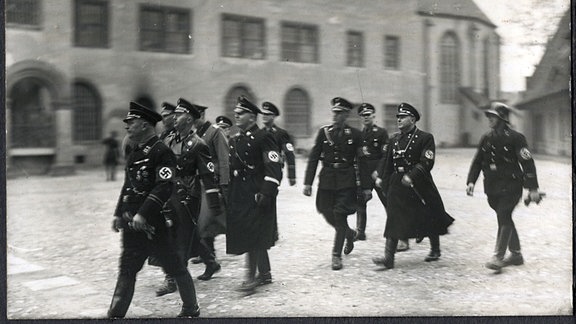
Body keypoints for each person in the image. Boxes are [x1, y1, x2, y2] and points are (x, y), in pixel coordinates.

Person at [108, 101, 200, 318]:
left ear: (145, 125)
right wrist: (118, 213)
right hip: (133, 222)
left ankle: (191, 308)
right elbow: (128, 185)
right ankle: (114, 314)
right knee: (127, 268)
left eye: (131, 122)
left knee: (174, 266)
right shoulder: (134, 152)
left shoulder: (162, 152)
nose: (127, 127)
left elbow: (164, 186)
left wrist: (143, 213)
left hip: (155, 223)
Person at [154, 98, 224, 296]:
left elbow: (208, 177)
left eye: (179, 114)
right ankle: (210, 262)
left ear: (189, 119)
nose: (174, 118)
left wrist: (213, 203)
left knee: (180, 239)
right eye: (174, 114)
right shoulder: (169, 140)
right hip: (169, 193)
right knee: (180, 235)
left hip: (188, 197)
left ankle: (173, 279)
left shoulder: (198, 145)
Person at [372, 103, 454, 269]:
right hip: (397, 184)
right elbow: (387, 163)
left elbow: (427, 161)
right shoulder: (394, 139)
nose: (399, 120)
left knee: (429, 214)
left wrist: (412, 176)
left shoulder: (425, 138)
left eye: (402, 117)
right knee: (393, 217)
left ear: (412, 119)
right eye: (398, 117)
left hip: (419, 183)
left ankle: (435, 249)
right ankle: (389, 258)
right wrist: (382, 179)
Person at [466, 102, 542, 271]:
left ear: (502, 118)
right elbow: (478, 161)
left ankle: (498, 257)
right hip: (492, 187)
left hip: (511, 185)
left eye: (492, 117)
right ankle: (516, 254)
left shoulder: (516, 138)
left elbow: (527, 163)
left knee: (504, 214)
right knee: (504, 217)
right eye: (489, 117)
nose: (489, 120)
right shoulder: (486, 138)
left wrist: (533, 188)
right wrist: (471, 181)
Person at [303, 97, 367, 271]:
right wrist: (308, 182)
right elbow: (314, 157)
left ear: (346, 114)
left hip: (347, 180)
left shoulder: (355, 135)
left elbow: (362, 162)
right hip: (327, 179)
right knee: (323, 209)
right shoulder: (324, 133)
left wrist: (365, 186)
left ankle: (336, 255)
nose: (335, 115)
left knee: (340, 215)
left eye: (339, 113)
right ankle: (349, 233)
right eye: (334, 112)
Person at [227, 96, 282, 294]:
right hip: (241, 193)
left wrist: (266, 192)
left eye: (240, 113)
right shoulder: (236, 139)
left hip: (257, 192)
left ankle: (250, 277)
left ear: (252, 116)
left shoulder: (263, 137)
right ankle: (265, 274)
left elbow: (274, 167)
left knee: (252, 233)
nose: (236, 115)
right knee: (252, 232)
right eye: (236, 113)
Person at [188, 104, 230, 269]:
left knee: (206, 221)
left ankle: (210, 259)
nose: (195, 121)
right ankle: (208, 257)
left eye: (197, 116)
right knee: (201, 222)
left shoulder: (215, 132)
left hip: (212, 183)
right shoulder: (193, 135)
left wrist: (224, 185)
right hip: (197, 184)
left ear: (203, 115)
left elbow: (224, 160)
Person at [354, 102, 389, 241]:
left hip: (378, 174)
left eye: (368, 115)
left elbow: (385, 156)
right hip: (364, 175)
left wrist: (379, 172)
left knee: (387, 202)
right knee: (360, 202)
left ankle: (396, 233)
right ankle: (360, 231)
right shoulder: (358, 135)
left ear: (374, 116)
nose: (365, 118)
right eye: (362, 116)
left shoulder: (381, 133)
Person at [260, 101, 297, 186]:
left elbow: (289, 154)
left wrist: (292, 176)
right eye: (263, 114)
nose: (264, 116)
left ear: (273, 116)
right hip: (260, 171)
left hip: (274, 170)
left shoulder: (281, 134)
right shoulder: (260, 133)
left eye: (267, 114)